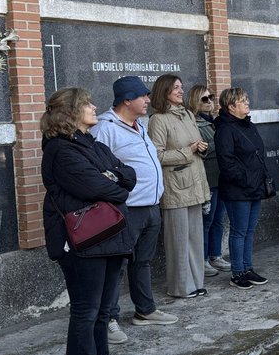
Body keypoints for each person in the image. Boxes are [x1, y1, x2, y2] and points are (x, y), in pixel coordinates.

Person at [40, 87, 137, 355]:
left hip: (108, 237)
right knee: (86, 309)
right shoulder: (61, 150)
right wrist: (113, 181)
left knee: (103, 309)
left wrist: (113, 177)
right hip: (82, 241)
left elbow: (129, 174)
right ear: (70, 113)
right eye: (86, 104)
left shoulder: (91, 143)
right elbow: (100, 188)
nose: (94, 107)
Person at [91, 75, 179, 334]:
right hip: (126, 209)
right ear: (126, 100)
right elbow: (98, 171)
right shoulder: (105, 128)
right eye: (142, 96)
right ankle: (108, 319)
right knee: (115, 266)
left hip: (151, 206)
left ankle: (145, 310)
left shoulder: (139, 125)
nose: (148, 100)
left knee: (143, 261)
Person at [147, 74, 211, 300]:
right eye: (175, 87)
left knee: (194, 238)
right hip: (175, 187)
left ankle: (196, 282)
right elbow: (156, 155)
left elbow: (195, 147)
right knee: (178, 240)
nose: (181, 91)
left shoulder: (188, 114)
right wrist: (188, 151)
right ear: (164, 91)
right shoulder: (158, 119)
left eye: (181, 87)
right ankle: (180, 287)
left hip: (194, 183)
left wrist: (201, 148)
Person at [214, 87, 270, 289]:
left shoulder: (248, 125)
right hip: (238, 189)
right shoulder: (225, 129)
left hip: (254, 187)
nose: (247, 102)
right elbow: (227, 163)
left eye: (247, 99)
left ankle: (247, 268)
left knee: (250, 230)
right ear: (231, 106)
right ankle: (237, 272)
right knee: (239, 231)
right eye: (242, 100)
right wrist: (245, 179)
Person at [185, 83, 230, 275]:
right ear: (195, 101)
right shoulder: (193, 123)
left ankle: (215, 255)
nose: (210, 101)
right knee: (207, 220)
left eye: (211, 97)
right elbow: (199, 148)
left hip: (221, 177)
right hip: (207, 178)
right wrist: (220, 143)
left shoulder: (215, 121)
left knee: (219, 219)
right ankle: (202, 260)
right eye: (204, 98)